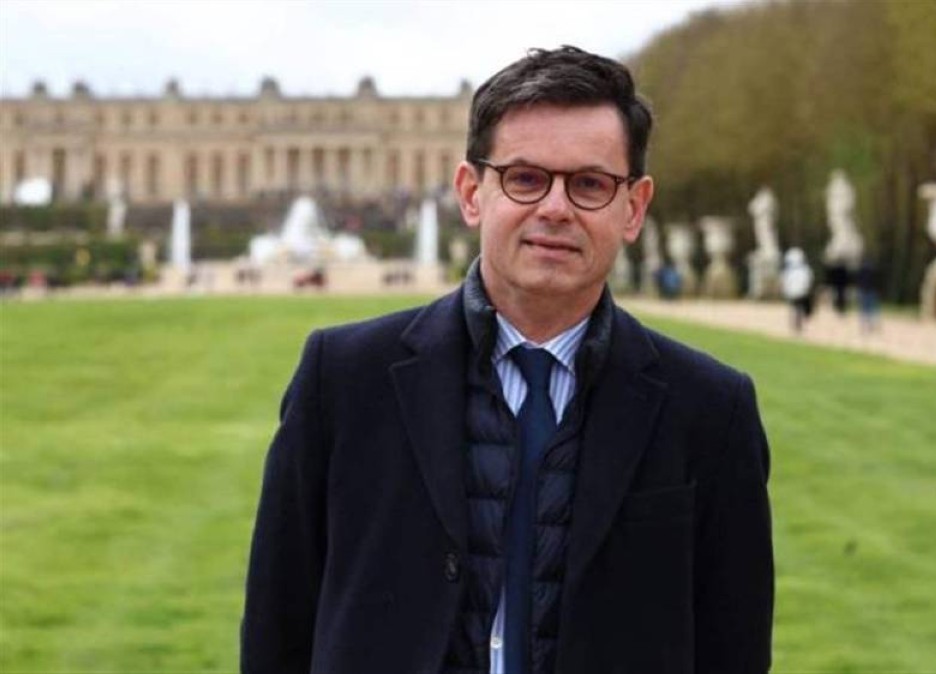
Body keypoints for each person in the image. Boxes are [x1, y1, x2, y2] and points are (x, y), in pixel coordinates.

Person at [241, 46, 774, 674]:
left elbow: (733, 648)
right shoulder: (342, 380)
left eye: (590, 184)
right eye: (525, 178)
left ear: (633, 207)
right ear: (471, 194)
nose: (555, 208)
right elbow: (278, 627)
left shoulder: (711, 410)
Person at [780, 247, 814, 332]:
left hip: (793, 293)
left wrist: (785, 290)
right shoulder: (804, 269)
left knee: (795, 307)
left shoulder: (788, 271)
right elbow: (808, 280)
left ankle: (796, 322)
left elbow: (784, 282)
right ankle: (799, 321)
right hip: (801, 292)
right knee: (799, 307)